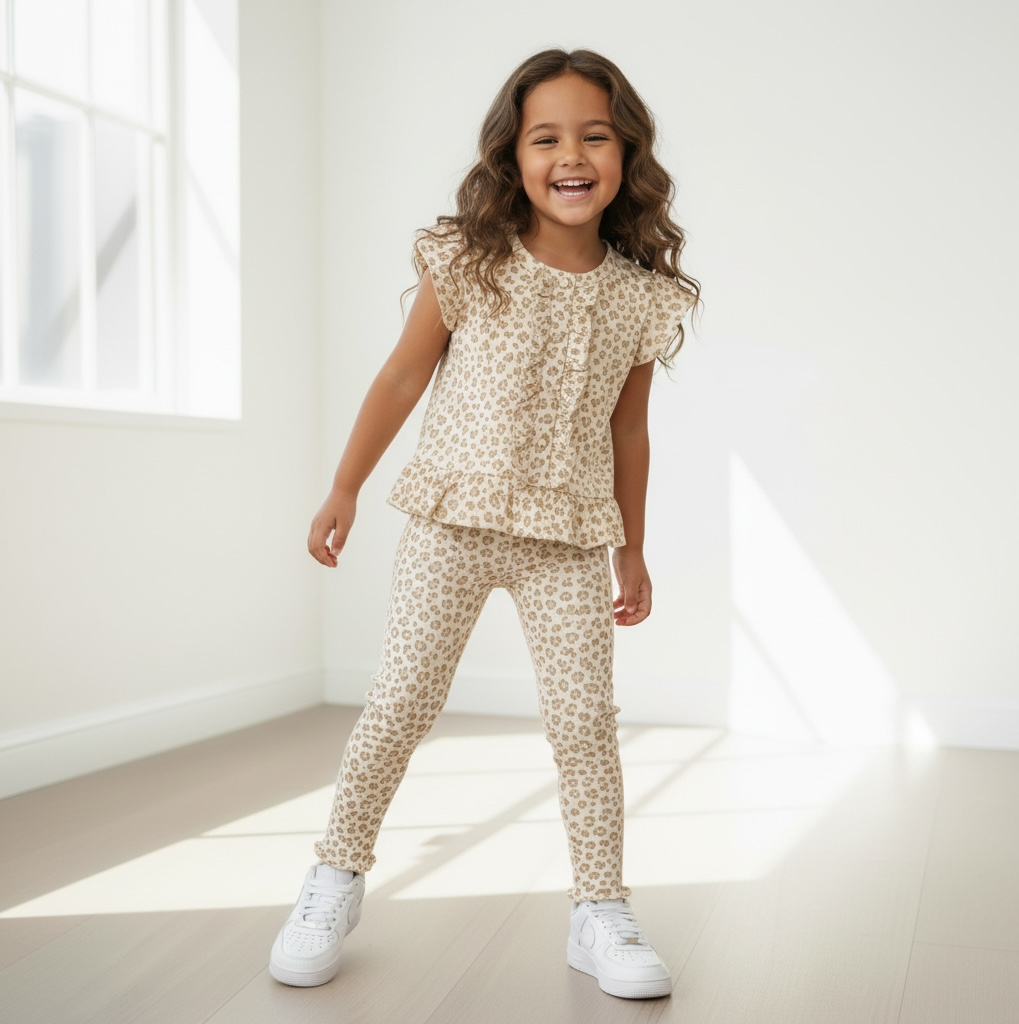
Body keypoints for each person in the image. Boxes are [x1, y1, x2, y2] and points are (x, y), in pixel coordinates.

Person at [269, 47, 699, 1001]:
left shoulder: (640, 297)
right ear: (514, 155)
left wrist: (632, 548)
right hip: (452, 520)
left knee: (584, 723)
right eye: (547, 138)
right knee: (402, 701)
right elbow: (401, 377)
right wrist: (344, 486)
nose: (571, 155)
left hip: (570, 538)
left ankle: (600, 908)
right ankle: (333, 877)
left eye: (595, 136)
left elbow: (629, 430)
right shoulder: (469, 260)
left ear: (627, 153)